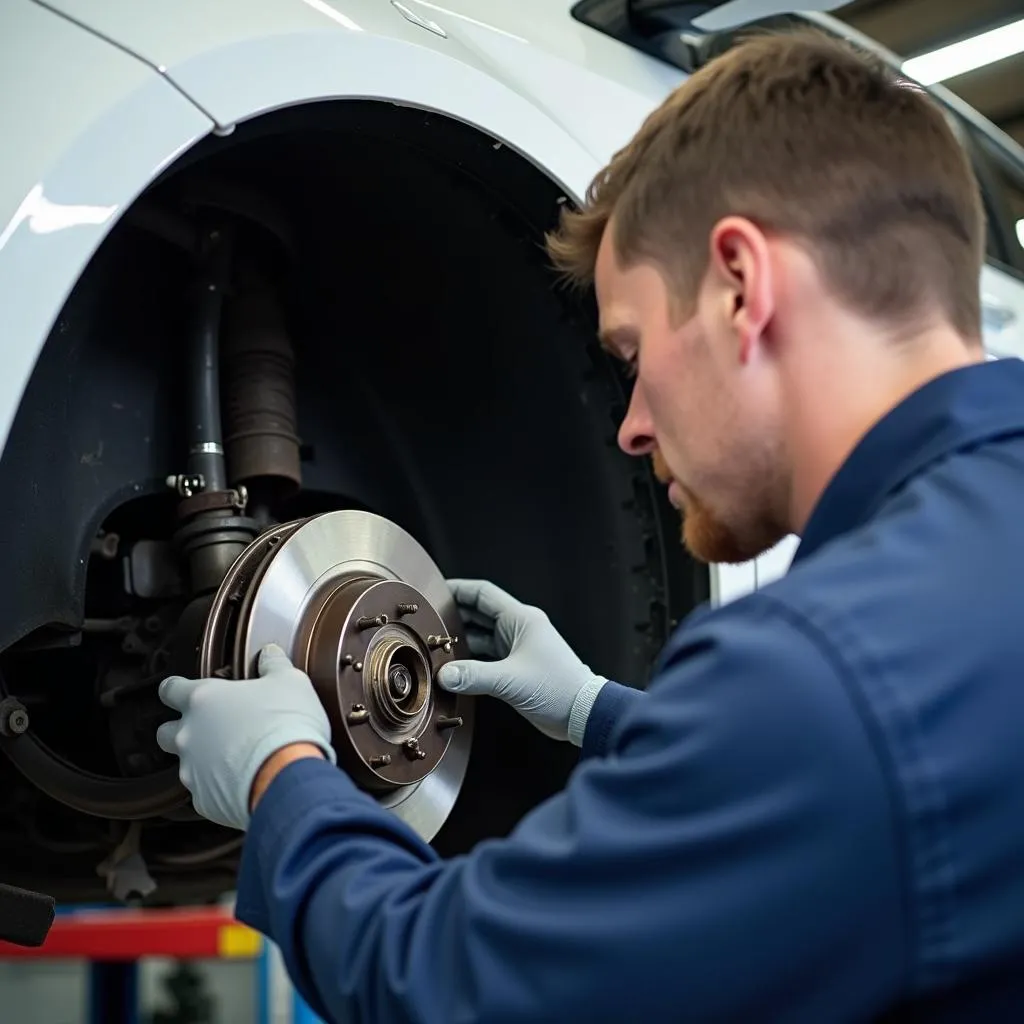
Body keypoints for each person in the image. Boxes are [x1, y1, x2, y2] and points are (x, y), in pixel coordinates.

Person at [154, 28, 1024, 1022]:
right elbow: (872, 794)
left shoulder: (826, 673)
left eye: (631, 350)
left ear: (742, 285)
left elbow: (444, 986)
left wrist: (282, 777)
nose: (631, 425)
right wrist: (597, 711)